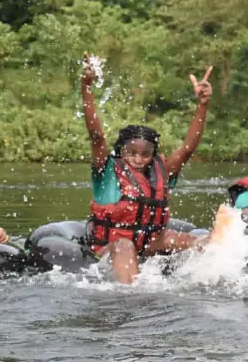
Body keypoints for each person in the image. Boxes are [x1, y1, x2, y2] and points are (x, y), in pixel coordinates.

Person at [80, 53, 214, 284]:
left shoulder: (160, 170)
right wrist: (86, 87)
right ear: (121, 151)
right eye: (132, 153)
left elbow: (187, 148)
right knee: (123, 245)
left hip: (150, 243)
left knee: (190, 240)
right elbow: (96, 136)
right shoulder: (107, 171)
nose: (138, 159)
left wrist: (203, 105)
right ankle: (131, 296)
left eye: (145, 154)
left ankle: (214, 281)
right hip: (109, 249)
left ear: (153, 155)